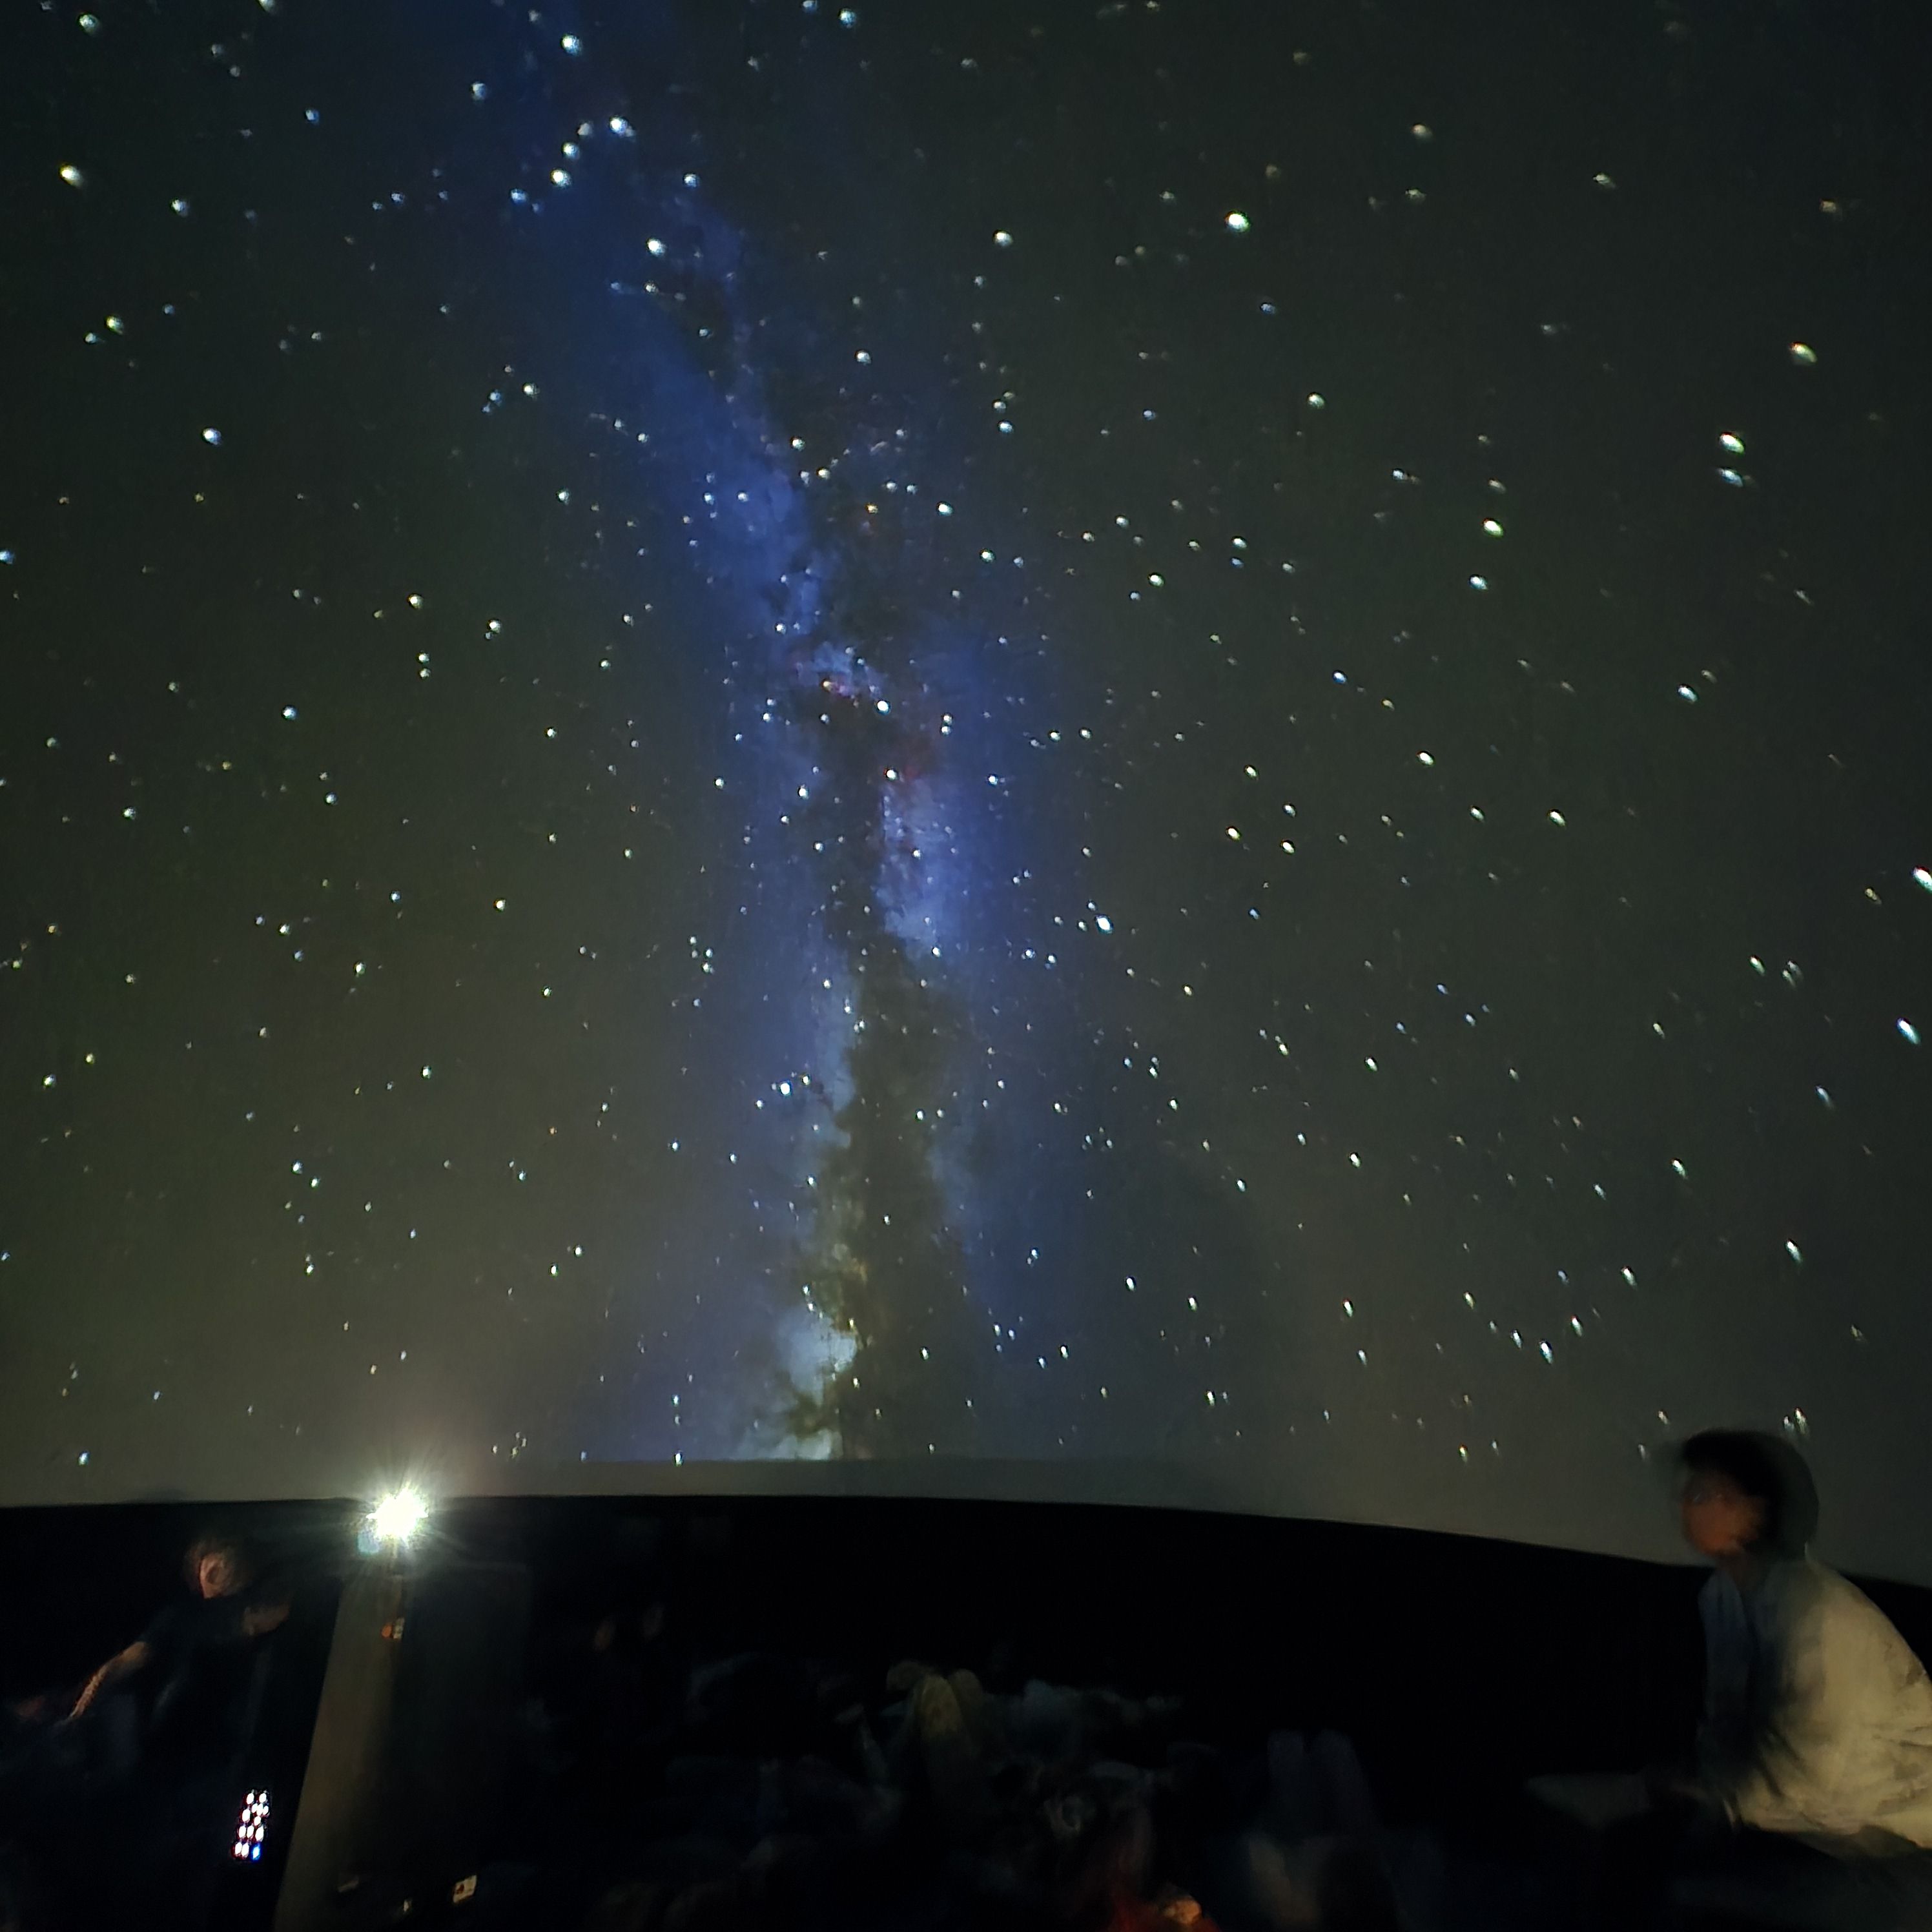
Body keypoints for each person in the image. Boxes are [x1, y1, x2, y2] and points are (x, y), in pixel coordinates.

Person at [1537, 1430, 1932, 1929]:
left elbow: (1812, 1784)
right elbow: (1726, 1733)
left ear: (1755, 1513)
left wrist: (1690, 1799)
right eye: (1689, 1493)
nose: (1687, 1505)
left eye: (1707, 1494)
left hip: (1894, 1849)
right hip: (1813, 1836)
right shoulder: (1721, 1599)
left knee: (1685, 1892)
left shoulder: (1818, 1614)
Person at [68, 1530, 287, 1769]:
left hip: (249, 1741)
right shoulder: (182, 1618)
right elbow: (124, 1663)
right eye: (209, 1567)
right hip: (191, 1753)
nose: (219, 1570)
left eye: (225, 1559)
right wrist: (80, 1712)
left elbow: (274, 1613)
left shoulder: (268, 1594)